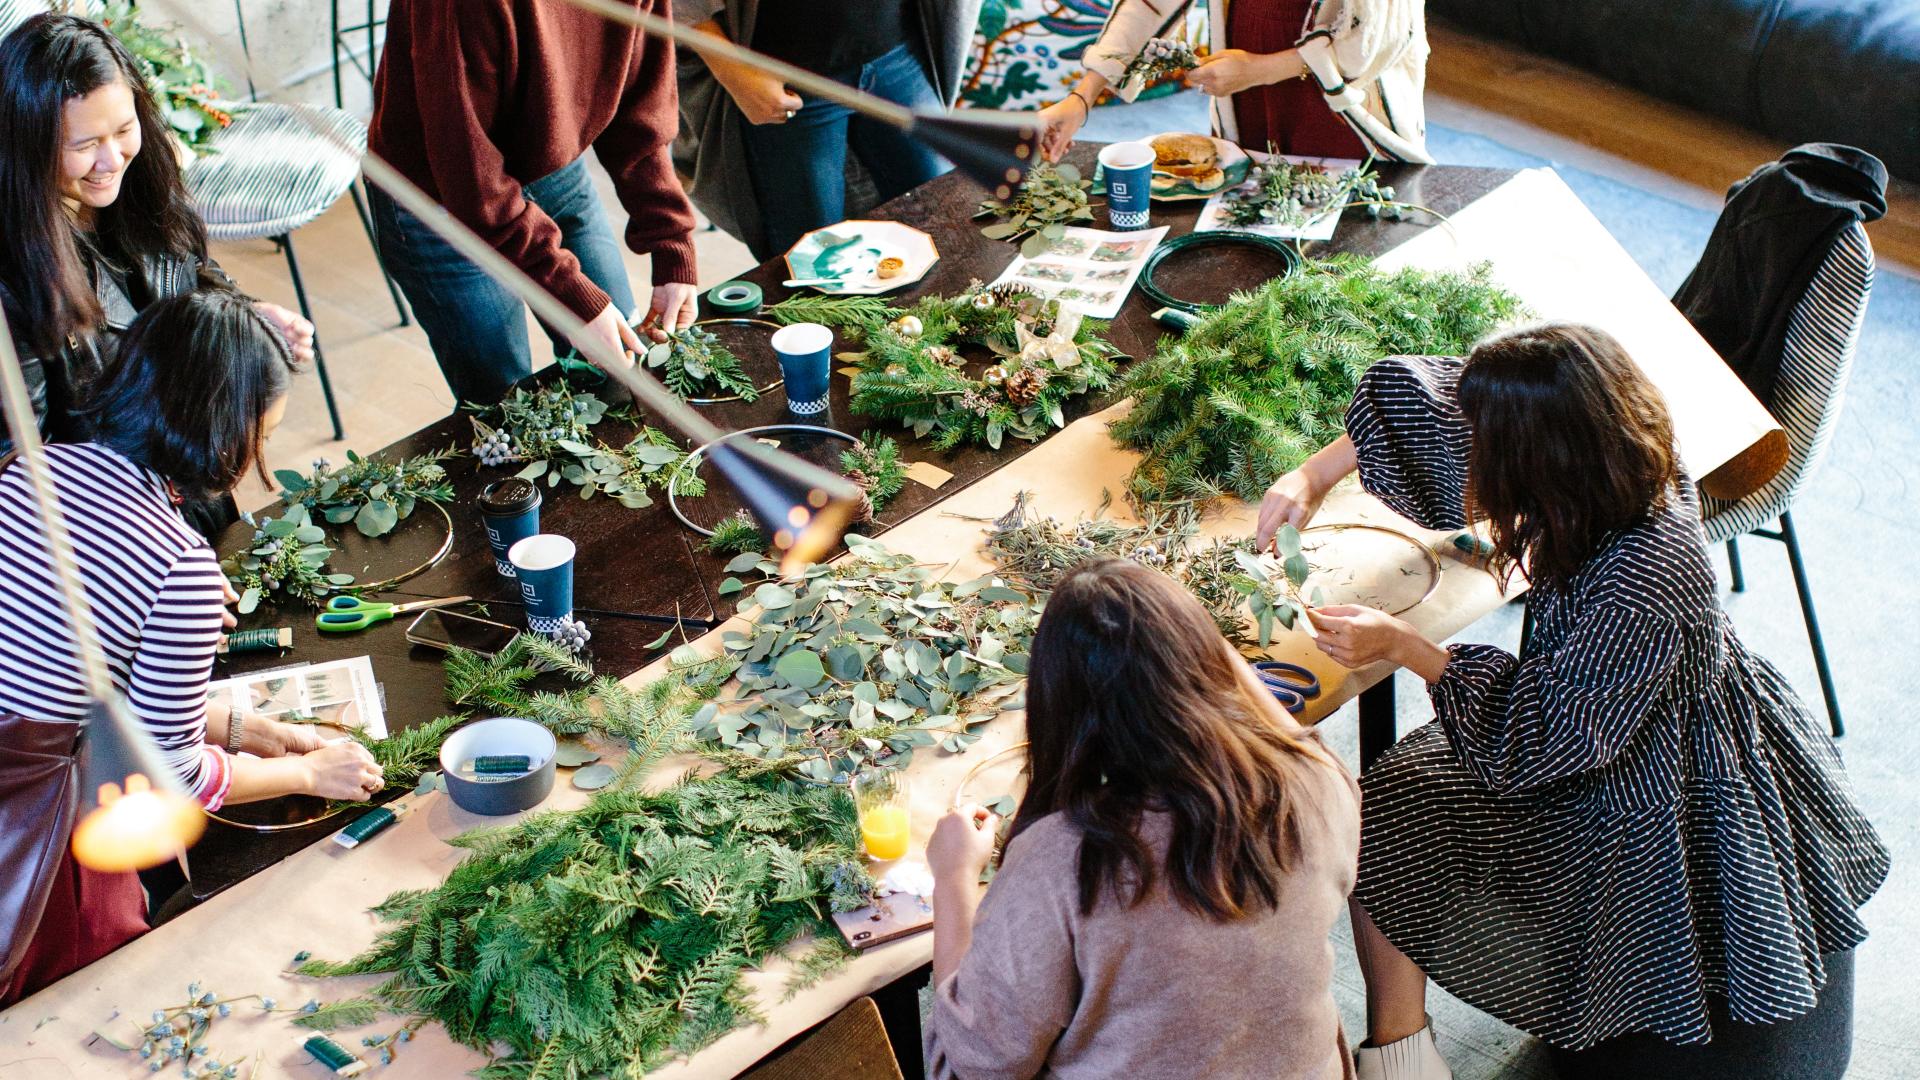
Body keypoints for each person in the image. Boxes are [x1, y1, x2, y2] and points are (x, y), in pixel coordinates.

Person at [1255, 325, 1889, 1080]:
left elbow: (1534, 744)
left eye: (1491, 460)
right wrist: (1314, 472)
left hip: (1637, 765)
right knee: (1393, 794)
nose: (1473, 467)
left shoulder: (1647, 581)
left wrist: (1404, 646)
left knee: (1388, 811)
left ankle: (1400, 1061)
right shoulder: (1614, 443)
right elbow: (1433, 397)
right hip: (1596, 703)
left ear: (1542, 469)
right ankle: (1404, 1052)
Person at [0, 290, 384, 1006]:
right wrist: (312, 773)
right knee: (83, 1004)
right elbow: (173, 776)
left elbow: (79, 677)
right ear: (225, 429)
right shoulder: (178, 563)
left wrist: (251, 726)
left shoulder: (34, 470)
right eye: (261, 436)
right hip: (41, 835)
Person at [924, 557, 1361, 1078]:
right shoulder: (1316, 782)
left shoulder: (1064, 862)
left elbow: (970, 1066)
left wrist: (952, 880)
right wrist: (1178, 632)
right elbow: (1290, 739)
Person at [0, 14, 316, 461]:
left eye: (125, 130)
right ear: (28, 144)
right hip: (106, 509)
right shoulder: (13, 277)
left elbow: (192, 277)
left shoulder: (144, 184)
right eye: (84, 144)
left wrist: (237, 320)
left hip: (178, 469)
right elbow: (21, 464)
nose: (112, 160)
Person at [368, 0, 703, 406]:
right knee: (509, 406)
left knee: (620, 369)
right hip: (438, 198)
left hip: (550, 163)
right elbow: (472, 180)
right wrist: (571, 298)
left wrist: (672, 240)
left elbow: (641, 107)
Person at [674, 0, 979, 262]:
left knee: (950, 225)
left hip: (900, 54)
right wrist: (732, 69)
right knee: (814, 261)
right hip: (786, 79)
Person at [1036, 0, 1429, 163]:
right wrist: (1083, 95)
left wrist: (1259, 70)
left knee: (1348, 259)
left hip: (1343, 110)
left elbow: (1379, 37)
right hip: (1245, 101)